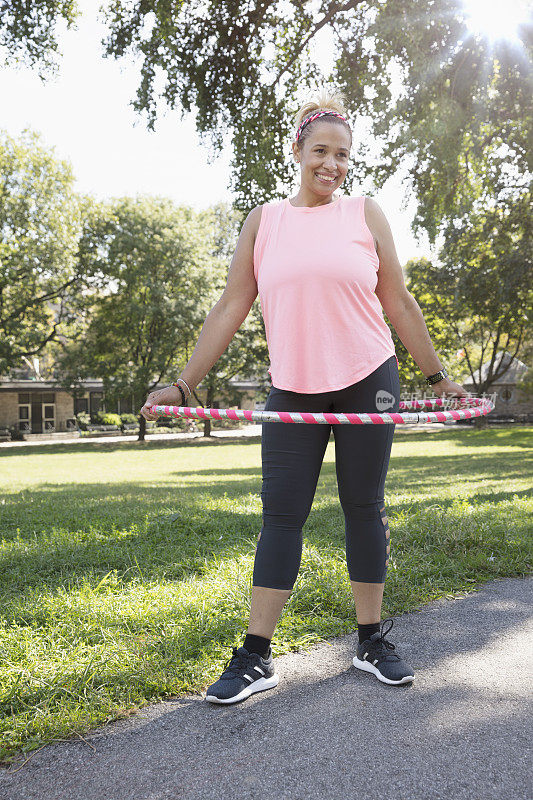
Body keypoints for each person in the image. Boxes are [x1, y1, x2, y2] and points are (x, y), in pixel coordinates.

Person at [141, 88, 468, 705]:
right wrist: (183, 382)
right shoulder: (266, 221)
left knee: (363, 509)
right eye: (321, 150)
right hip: (294, 386)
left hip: (368, 379)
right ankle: (256, 655)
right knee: (281, 516)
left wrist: (434, 375)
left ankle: (371, 640)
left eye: (343, 155)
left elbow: (397, 300)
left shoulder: (365, 214)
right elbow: (232, 304)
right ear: (296, 150)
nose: (332, 165)